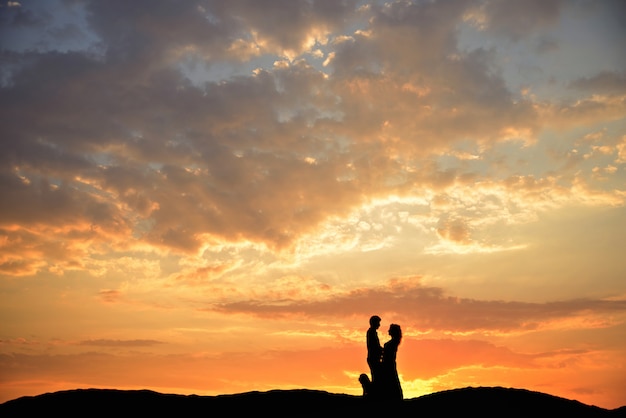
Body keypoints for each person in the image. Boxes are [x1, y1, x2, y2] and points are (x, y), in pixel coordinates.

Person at [380, 323, 403, 401]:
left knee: (390, 381)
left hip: (388, 364)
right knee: (391, 381)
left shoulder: (393, 342)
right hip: (389, 364)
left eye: (390, 329)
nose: (388, 331)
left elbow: (388, 354)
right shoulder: (394, 342)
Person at [366, 315, 382, 389]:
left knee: (377, 376)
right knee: (376, 376)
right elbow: (374, 346)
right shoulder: (371, 332)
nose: (379, 325)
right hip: (373, 358)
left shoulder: (372, 332)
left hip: (373, 357)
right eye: (378, 323)